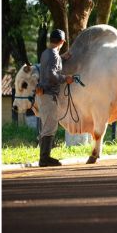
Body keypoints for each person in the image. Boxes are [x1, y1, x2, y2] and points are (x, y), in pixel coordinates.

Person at [36, 28, 73, 167]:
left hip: (43, 94)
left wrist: (62, 57)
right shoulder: (54, 55)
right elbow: (52, 75)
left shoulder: (46, 53)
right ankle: (44, 158)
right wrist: (65, 79)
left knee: (48, 126)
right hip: (49, 94)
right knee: (49, 127)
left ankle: (45, 157)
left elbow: (48, 66)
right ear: (62, 42)